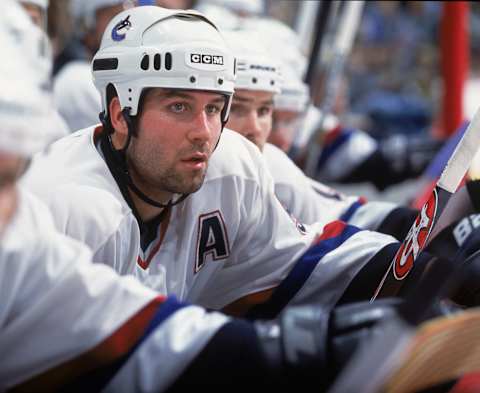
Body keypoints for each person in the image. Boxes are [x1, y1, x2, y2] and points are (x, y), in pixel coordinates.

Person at [1, 3, 431, 391]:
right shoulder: (64, 207)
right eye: (178, 106)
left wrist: (430, 260)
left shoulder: (230, 167)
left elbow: (308, 263)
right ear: (120, 113)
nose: (205, 133)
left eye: (213, 108)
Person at [223, 29, 418, 238]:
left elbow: (339, 225)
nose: (282, 139)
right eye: (237, 108)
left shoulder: (277, 172)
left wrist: (425, 224)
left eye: (264, 110)